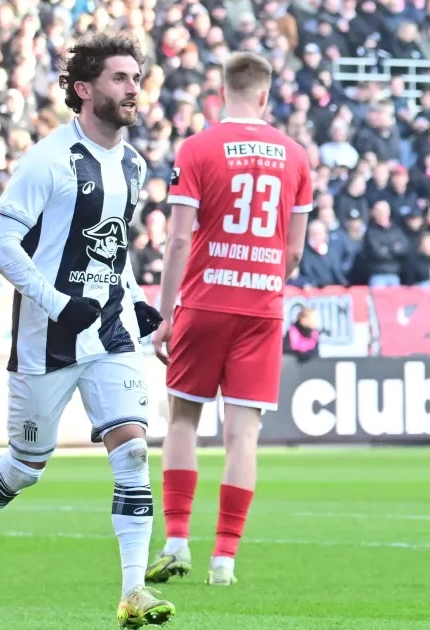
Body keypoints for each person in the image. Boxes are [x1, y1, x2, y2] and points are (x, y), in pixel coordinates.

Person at [0, 33, 175, 628]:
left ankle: (133, 593)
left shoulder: (133, 164)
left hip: (110, 334)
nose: (134, 89)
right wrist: (57, 304)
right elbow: (1, 245)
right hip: (45, 340)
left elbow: (114, 249)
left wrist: (137, 301)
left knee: (132, 450)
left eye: (136, 77)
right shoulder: (47, 161)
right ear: (84, 89)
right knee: (26, 466)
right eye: (120, 78)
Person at [145, 51, 311, 587]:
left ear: (222, 92)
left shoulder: (198, 148)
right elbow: (294, 252)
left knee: (182, 421)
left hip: (204, 301)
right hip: (261, 306)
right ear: (265, 94)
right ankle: (224, 560)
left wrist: (165, 313)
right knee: (243, 437)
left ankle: (176, 542)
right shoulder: (296, 156)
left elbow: (177, 239)